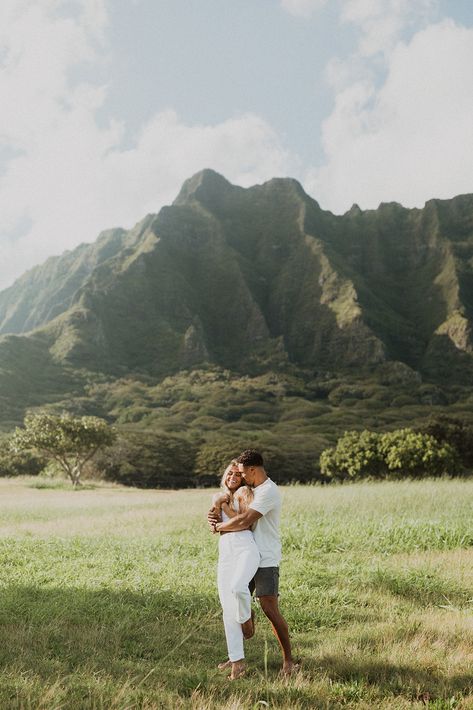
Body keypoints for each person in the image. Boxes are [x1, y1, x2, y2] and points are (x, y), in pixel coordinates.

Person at [209, 449, 297, 676]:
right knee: (233, 600)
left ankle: (288, 661)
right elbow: (231, 511)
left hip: (265, 556)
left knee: (269, 608)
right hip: (244, 554)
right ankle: (236, 656)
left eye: (242, 473)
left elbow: (245, 521)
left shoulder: (268, 491)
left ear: (252, 470)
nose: (240, 477)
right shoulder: (250, 489)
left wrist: (218, 526)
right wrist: (215, 513)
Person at [210, 460, 261, 680]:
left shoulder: (245, 493)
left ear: (242, 478)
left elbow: (244, 523)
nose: (233, 477)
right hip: (226, 550)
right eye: (230, 474)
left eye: (237, 475)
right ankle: (237, 661)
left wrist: (224, 507)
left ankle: (247, 617)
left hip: (244, 547)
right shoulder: (219, 495)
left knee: (238, 587)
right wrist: (214, 513)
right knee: (226, 607)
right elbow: (213, 523)